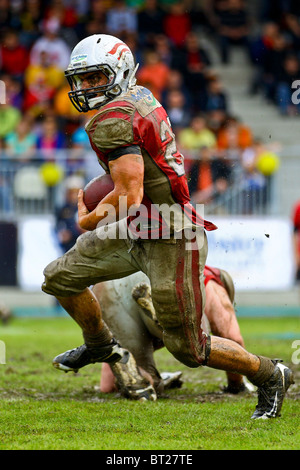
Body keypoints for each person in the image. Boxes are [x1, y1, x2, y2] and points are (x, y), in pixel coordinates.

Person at [42, 34, 294, 417]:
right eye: (83, 79)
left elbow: (128, 192)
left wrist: (89, 218)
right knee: (59, 277)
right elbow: (134, 192)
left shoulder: (113, 119)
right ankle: (99, 345)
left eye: (96, 77)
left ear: (120, 73)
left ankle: (270, 374)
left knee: (190, 350)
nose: (87, 87)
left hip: (171, 233)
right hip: (141, 221)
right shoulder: (139, 96)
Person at [94, 266, 252, 396]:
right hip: (166, 287)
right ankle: (165, 318)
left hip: (111, 287)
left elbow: (107, 383)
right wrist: (236, 384)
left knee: (122, 379)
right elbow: (233, 338)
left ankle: (145, 380)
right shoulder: (212, 282)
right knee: (199, 338)